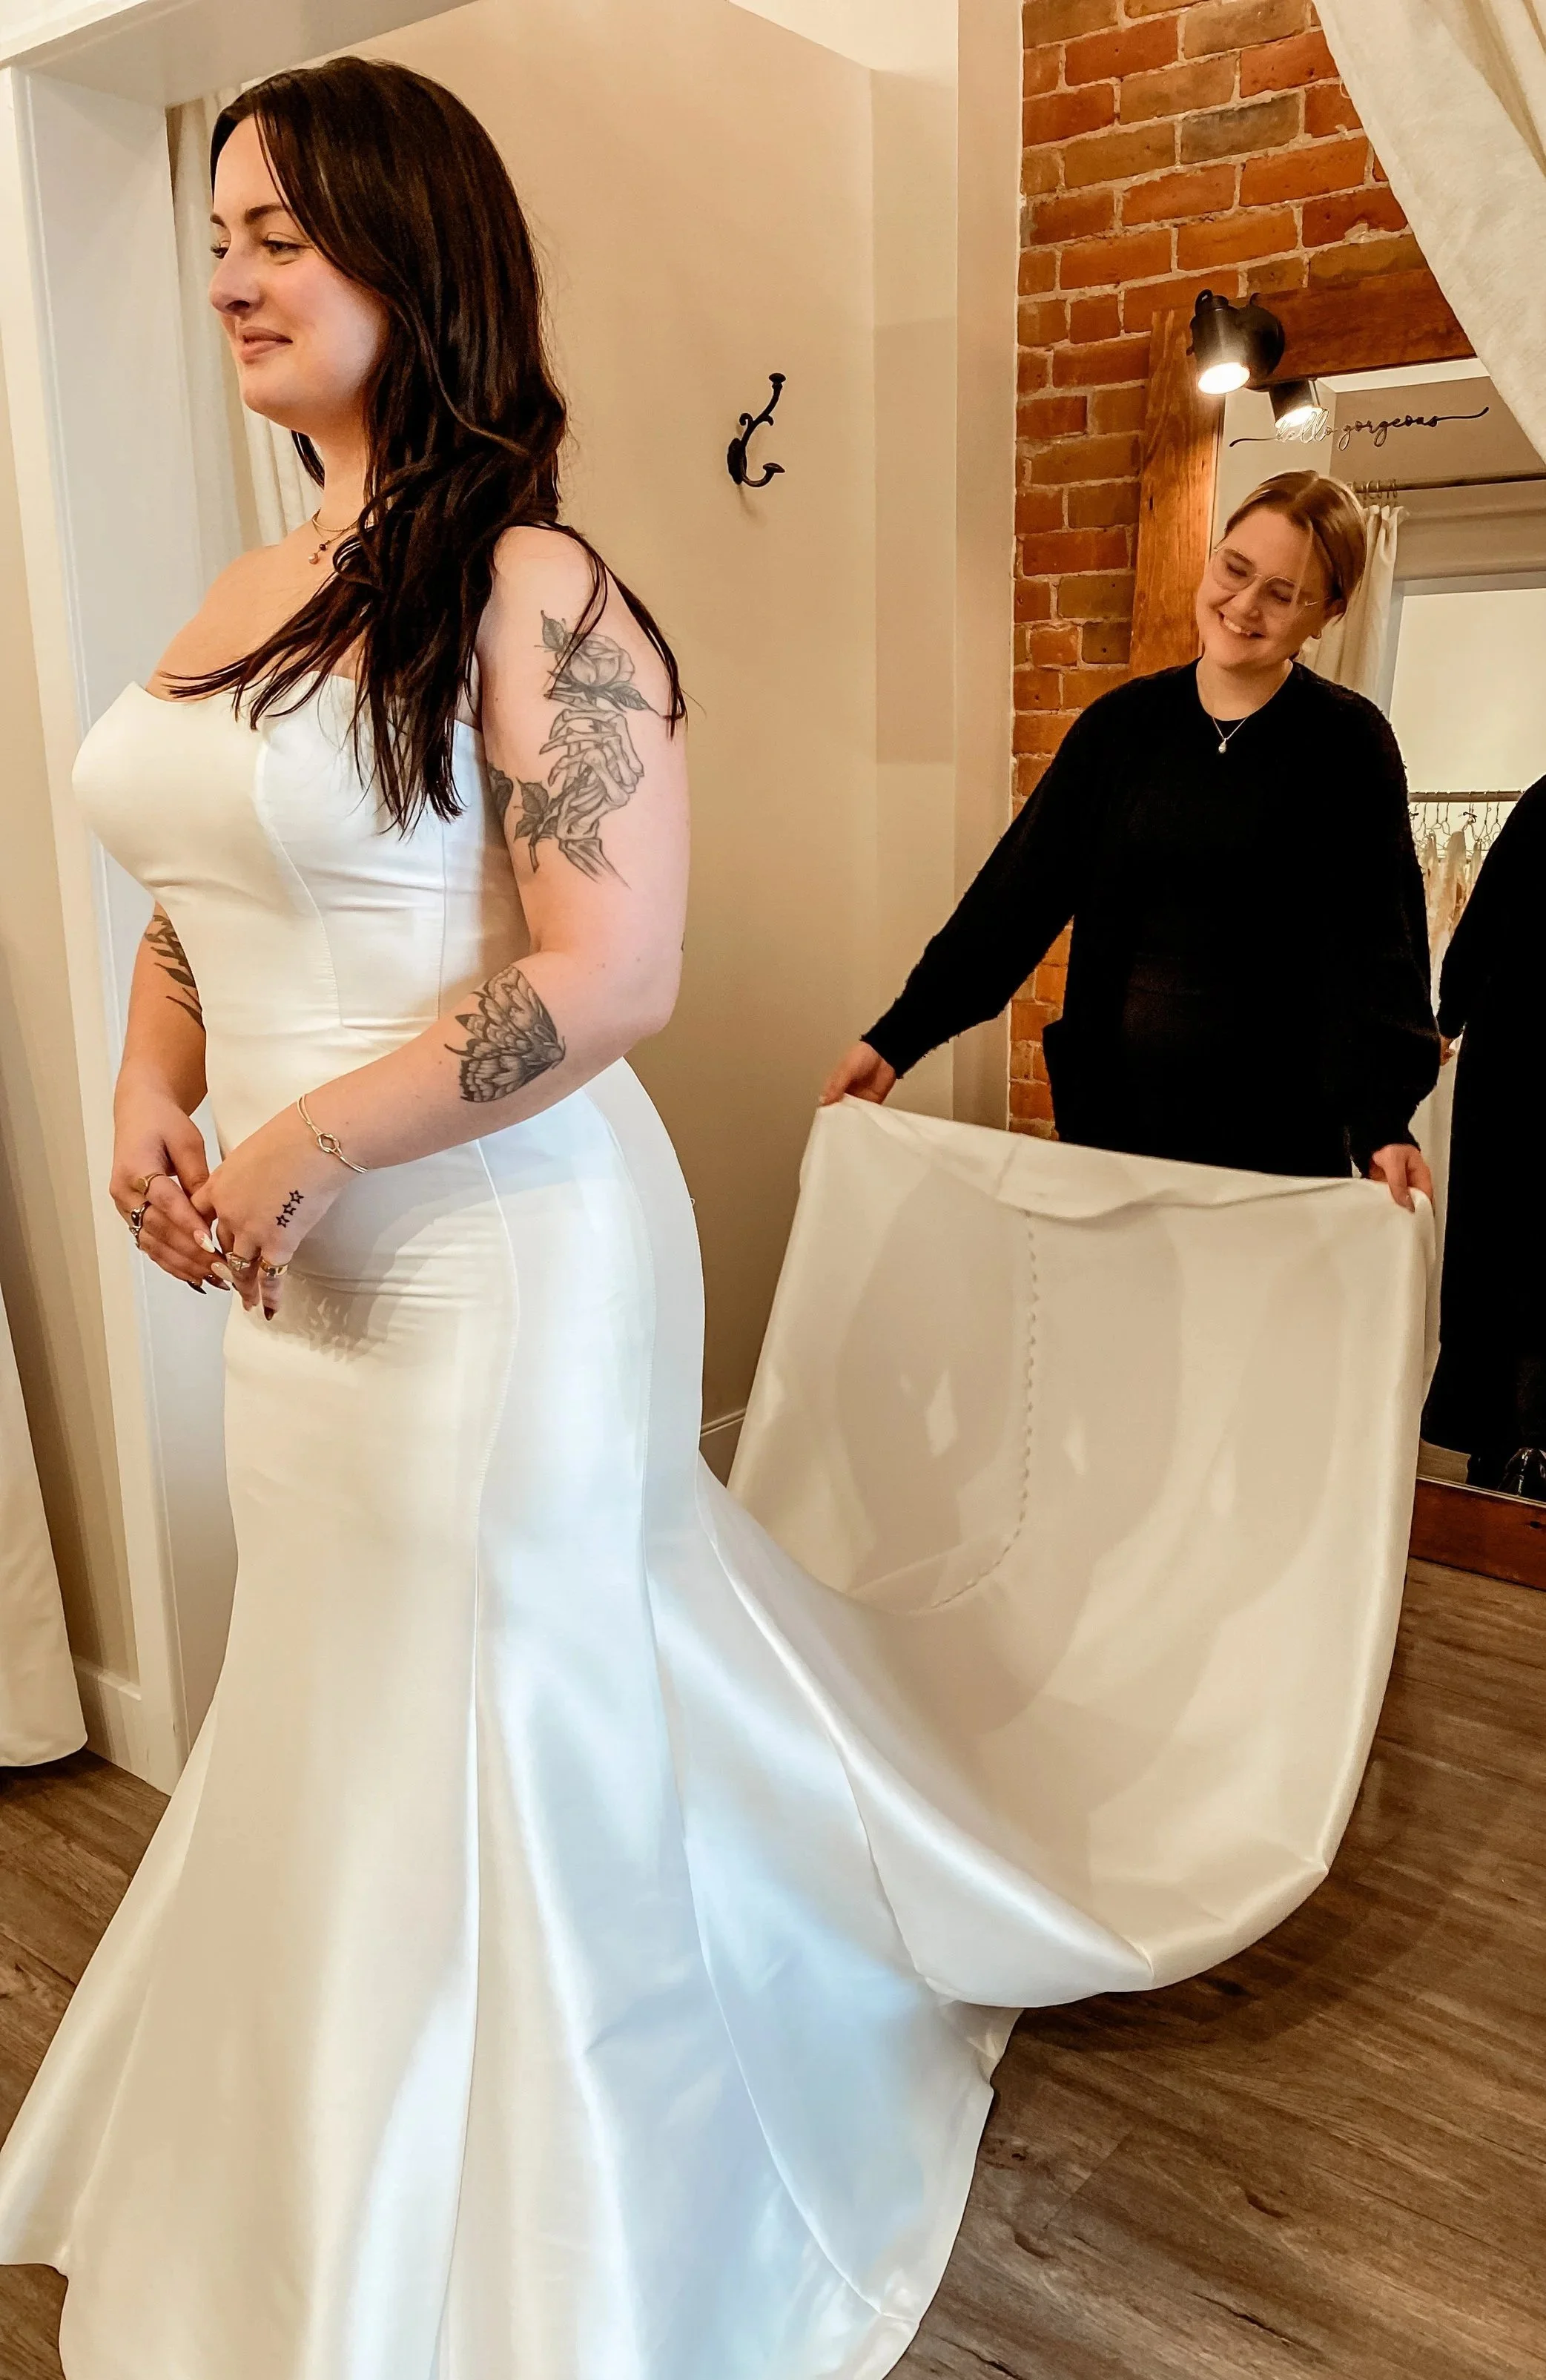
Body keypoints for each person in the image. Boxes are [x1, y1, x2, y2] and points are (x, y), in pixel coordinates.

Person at [0, 70, 1423, 2380]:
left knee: (514, 1720)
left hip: (497, 1272)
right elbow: (200, 890)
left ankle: (575, 2218)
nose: (232, 273)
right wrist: (150, 1088)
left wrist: (312, 1137)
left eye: (283, 233)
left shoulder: (531, 588)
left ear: (413, 254)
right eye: (220, 234)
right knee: (349, 1706)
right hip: (294, 1275)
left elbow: (610, 971)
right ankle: (330, 2190)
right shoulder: (246, 591)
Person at [825, 472, 1440, 1204]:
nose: (1243, 605)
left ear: (1328, 612)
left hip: (1275, 1149)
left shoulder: (1348, 745)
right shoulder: (1119, 729)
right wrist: (896, 1040)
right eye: (1234, 568)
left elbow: (1376, 947)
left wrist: (1382, 1121)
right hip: (1112, 1136)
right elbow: (1013, 902)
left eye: (1281, 593)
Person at [1423, 779, 1546, 1496]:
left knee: (1499, 1246)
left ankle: (1499, 1441)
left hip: (1511, 1058)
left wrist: (1448, 1016)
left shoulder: (1542, 806)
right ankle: (1528, 1441)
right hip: (1512, 1059)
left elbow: (1483, 922)